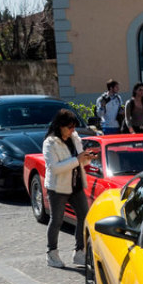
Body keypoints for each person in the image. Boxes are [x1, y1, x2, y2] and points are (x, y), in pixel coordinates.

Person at [43, 108, 98, 268]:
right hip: (58, 187)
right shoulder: (50, 143)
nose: (72, 130)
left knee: (84, 216)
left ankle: (79, 251)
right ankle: (51, 253)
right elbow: (54, 168)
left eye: (74, 127)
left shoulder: (74, 138)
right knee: (57, 220)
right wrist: (77, 159)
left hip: (76, 185)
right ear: (60, 126)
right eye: (69, 127)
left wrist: (87, 158)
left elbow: (80, 160)